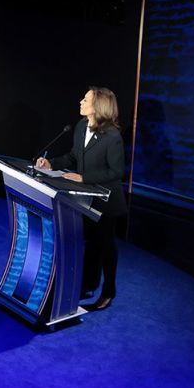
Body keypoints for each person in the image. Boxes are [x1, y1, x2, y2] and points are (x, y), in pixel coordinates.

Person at [34, 87, 126, 311]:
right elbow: (74, 156)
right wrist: (51, 164)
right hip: (85, 198)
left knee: (105, 246)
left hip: (106, 201)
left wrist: (84, 178)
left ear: (98, 106)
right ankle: (88, 284)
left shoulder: (112, 136)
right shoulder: (81, 126)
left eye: (86, 99)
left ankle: (109, 291)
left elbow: (116, 172)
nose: (81, 101)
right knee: (90, 244)